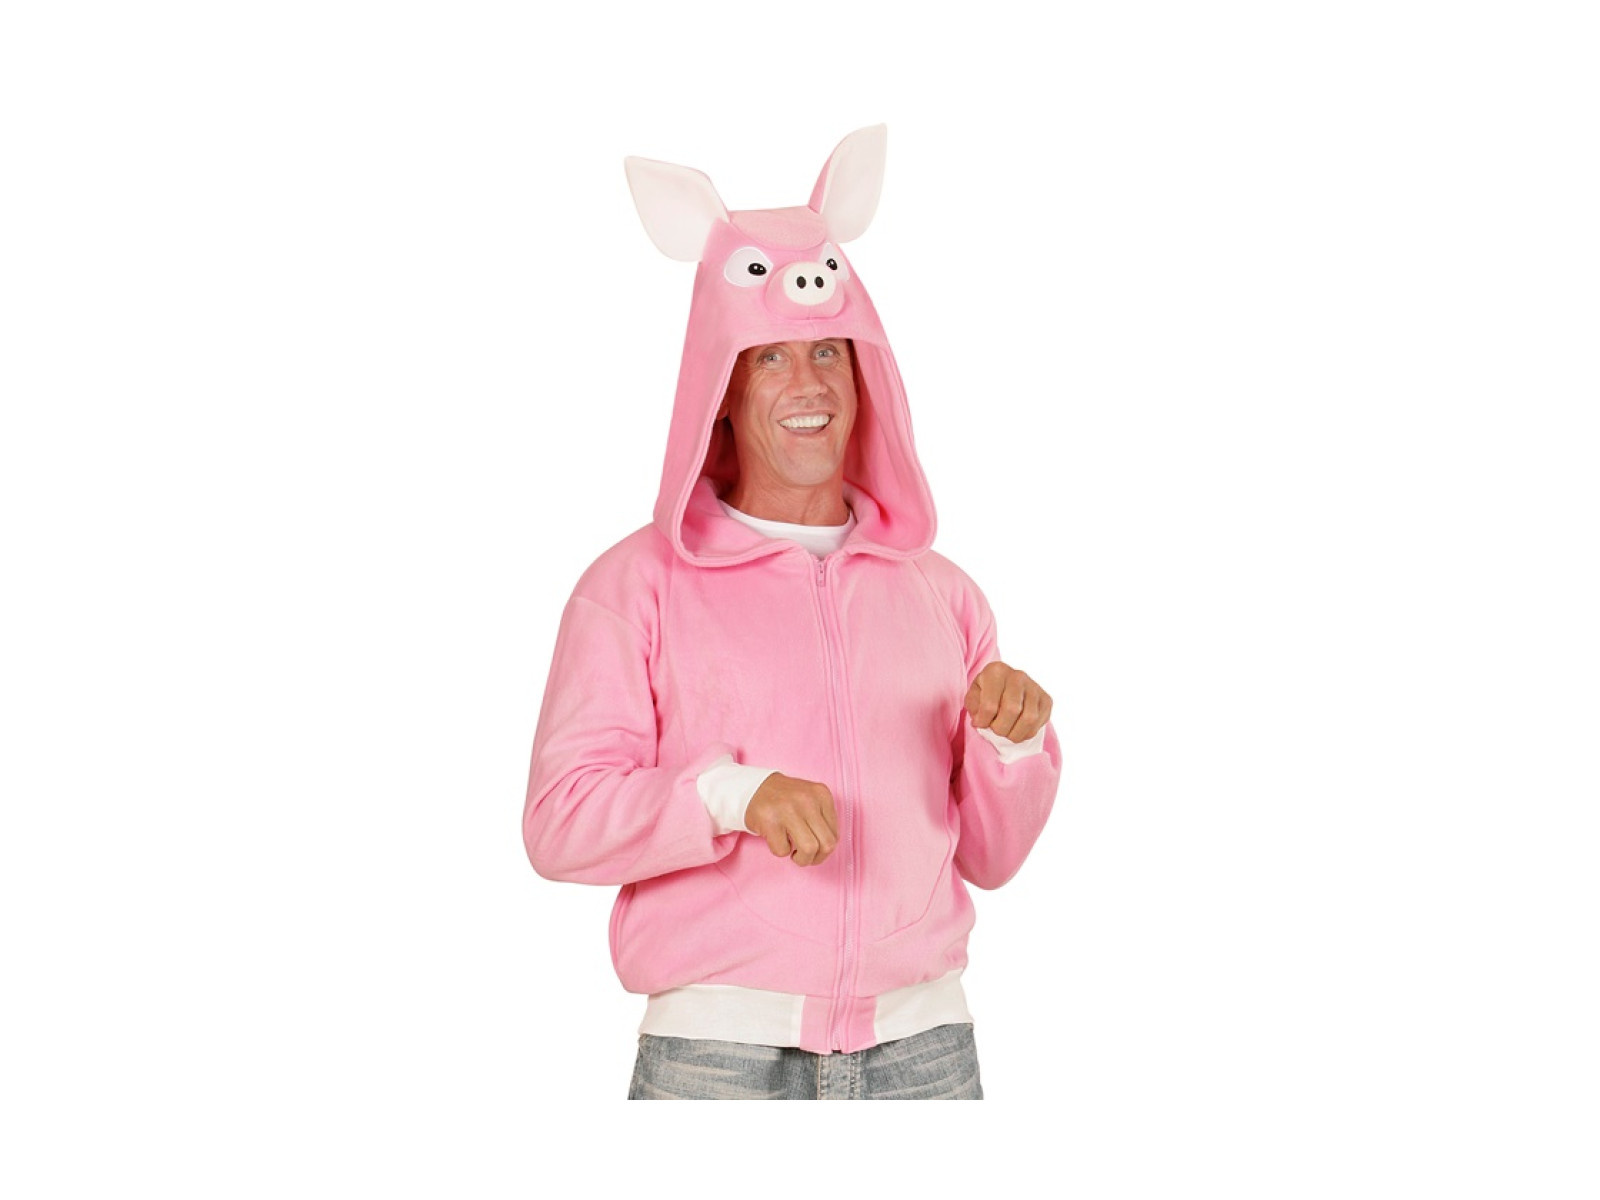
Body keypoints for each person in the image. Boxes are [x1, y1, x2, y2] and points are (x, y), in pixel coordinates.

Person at [522, 126, 1061, 1100]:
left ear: (865, 375)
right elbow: (561, 821)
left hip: (927, 1051)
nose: (808, 384)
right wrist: (732, 796)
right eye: (769, 357)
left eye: (828, 352)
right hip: (717, 1057)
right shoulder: (635, 585)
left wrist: (1011, 743)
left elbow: (993, 856)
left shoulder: (943, 593)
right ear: (720, 390)